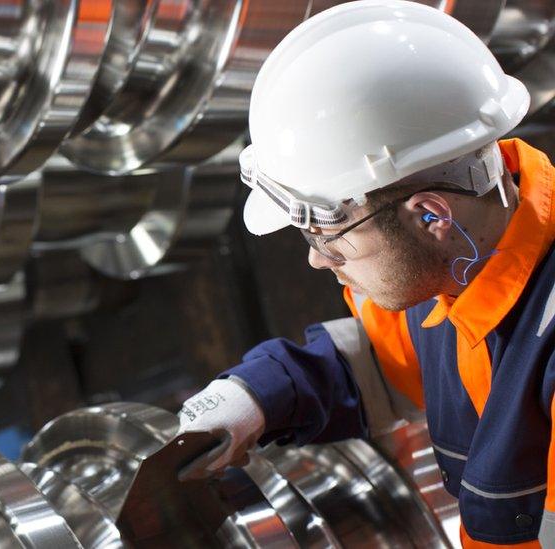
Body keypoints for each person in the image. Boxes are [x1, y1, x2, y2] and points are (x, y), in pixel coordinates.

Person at [176, 1, 555, 546]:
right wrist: (256, 396)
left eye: (327, 233)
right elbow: (381, 363)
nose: (316, 259)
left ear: (430, 214)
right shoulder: (448, 272)